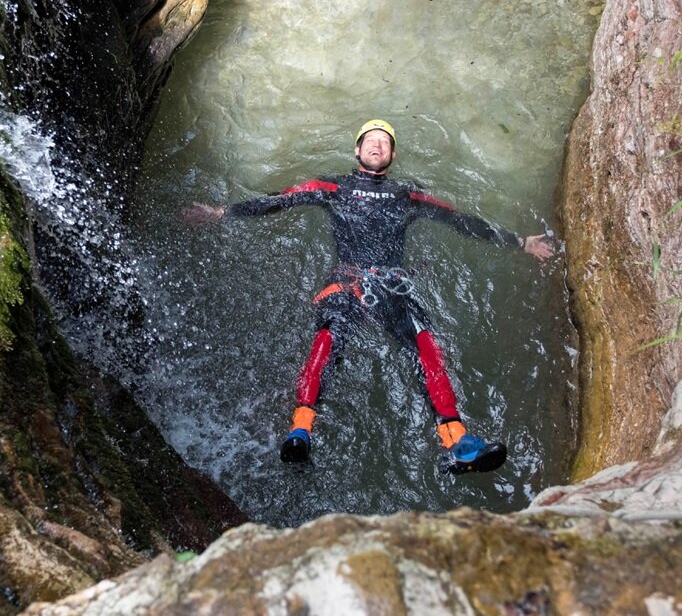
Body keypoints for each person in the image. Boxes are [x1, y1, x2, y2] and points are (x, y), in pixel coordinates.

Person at [184, 119, 555, 473]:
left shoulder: (407, 194)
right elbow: (280, 200)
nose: (378, 144)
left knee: (427, 347)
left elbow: (460, 220)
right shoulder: (332, 188)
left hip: (392, 286)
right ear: (357, 150)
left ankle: (457, 441)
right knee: (326, 343)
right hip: (346, 282)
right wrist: (222, 212)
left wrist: (520, 243)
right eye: (371, 139)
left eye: (385, 141)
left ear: (392, 156)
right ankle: (300, 431)